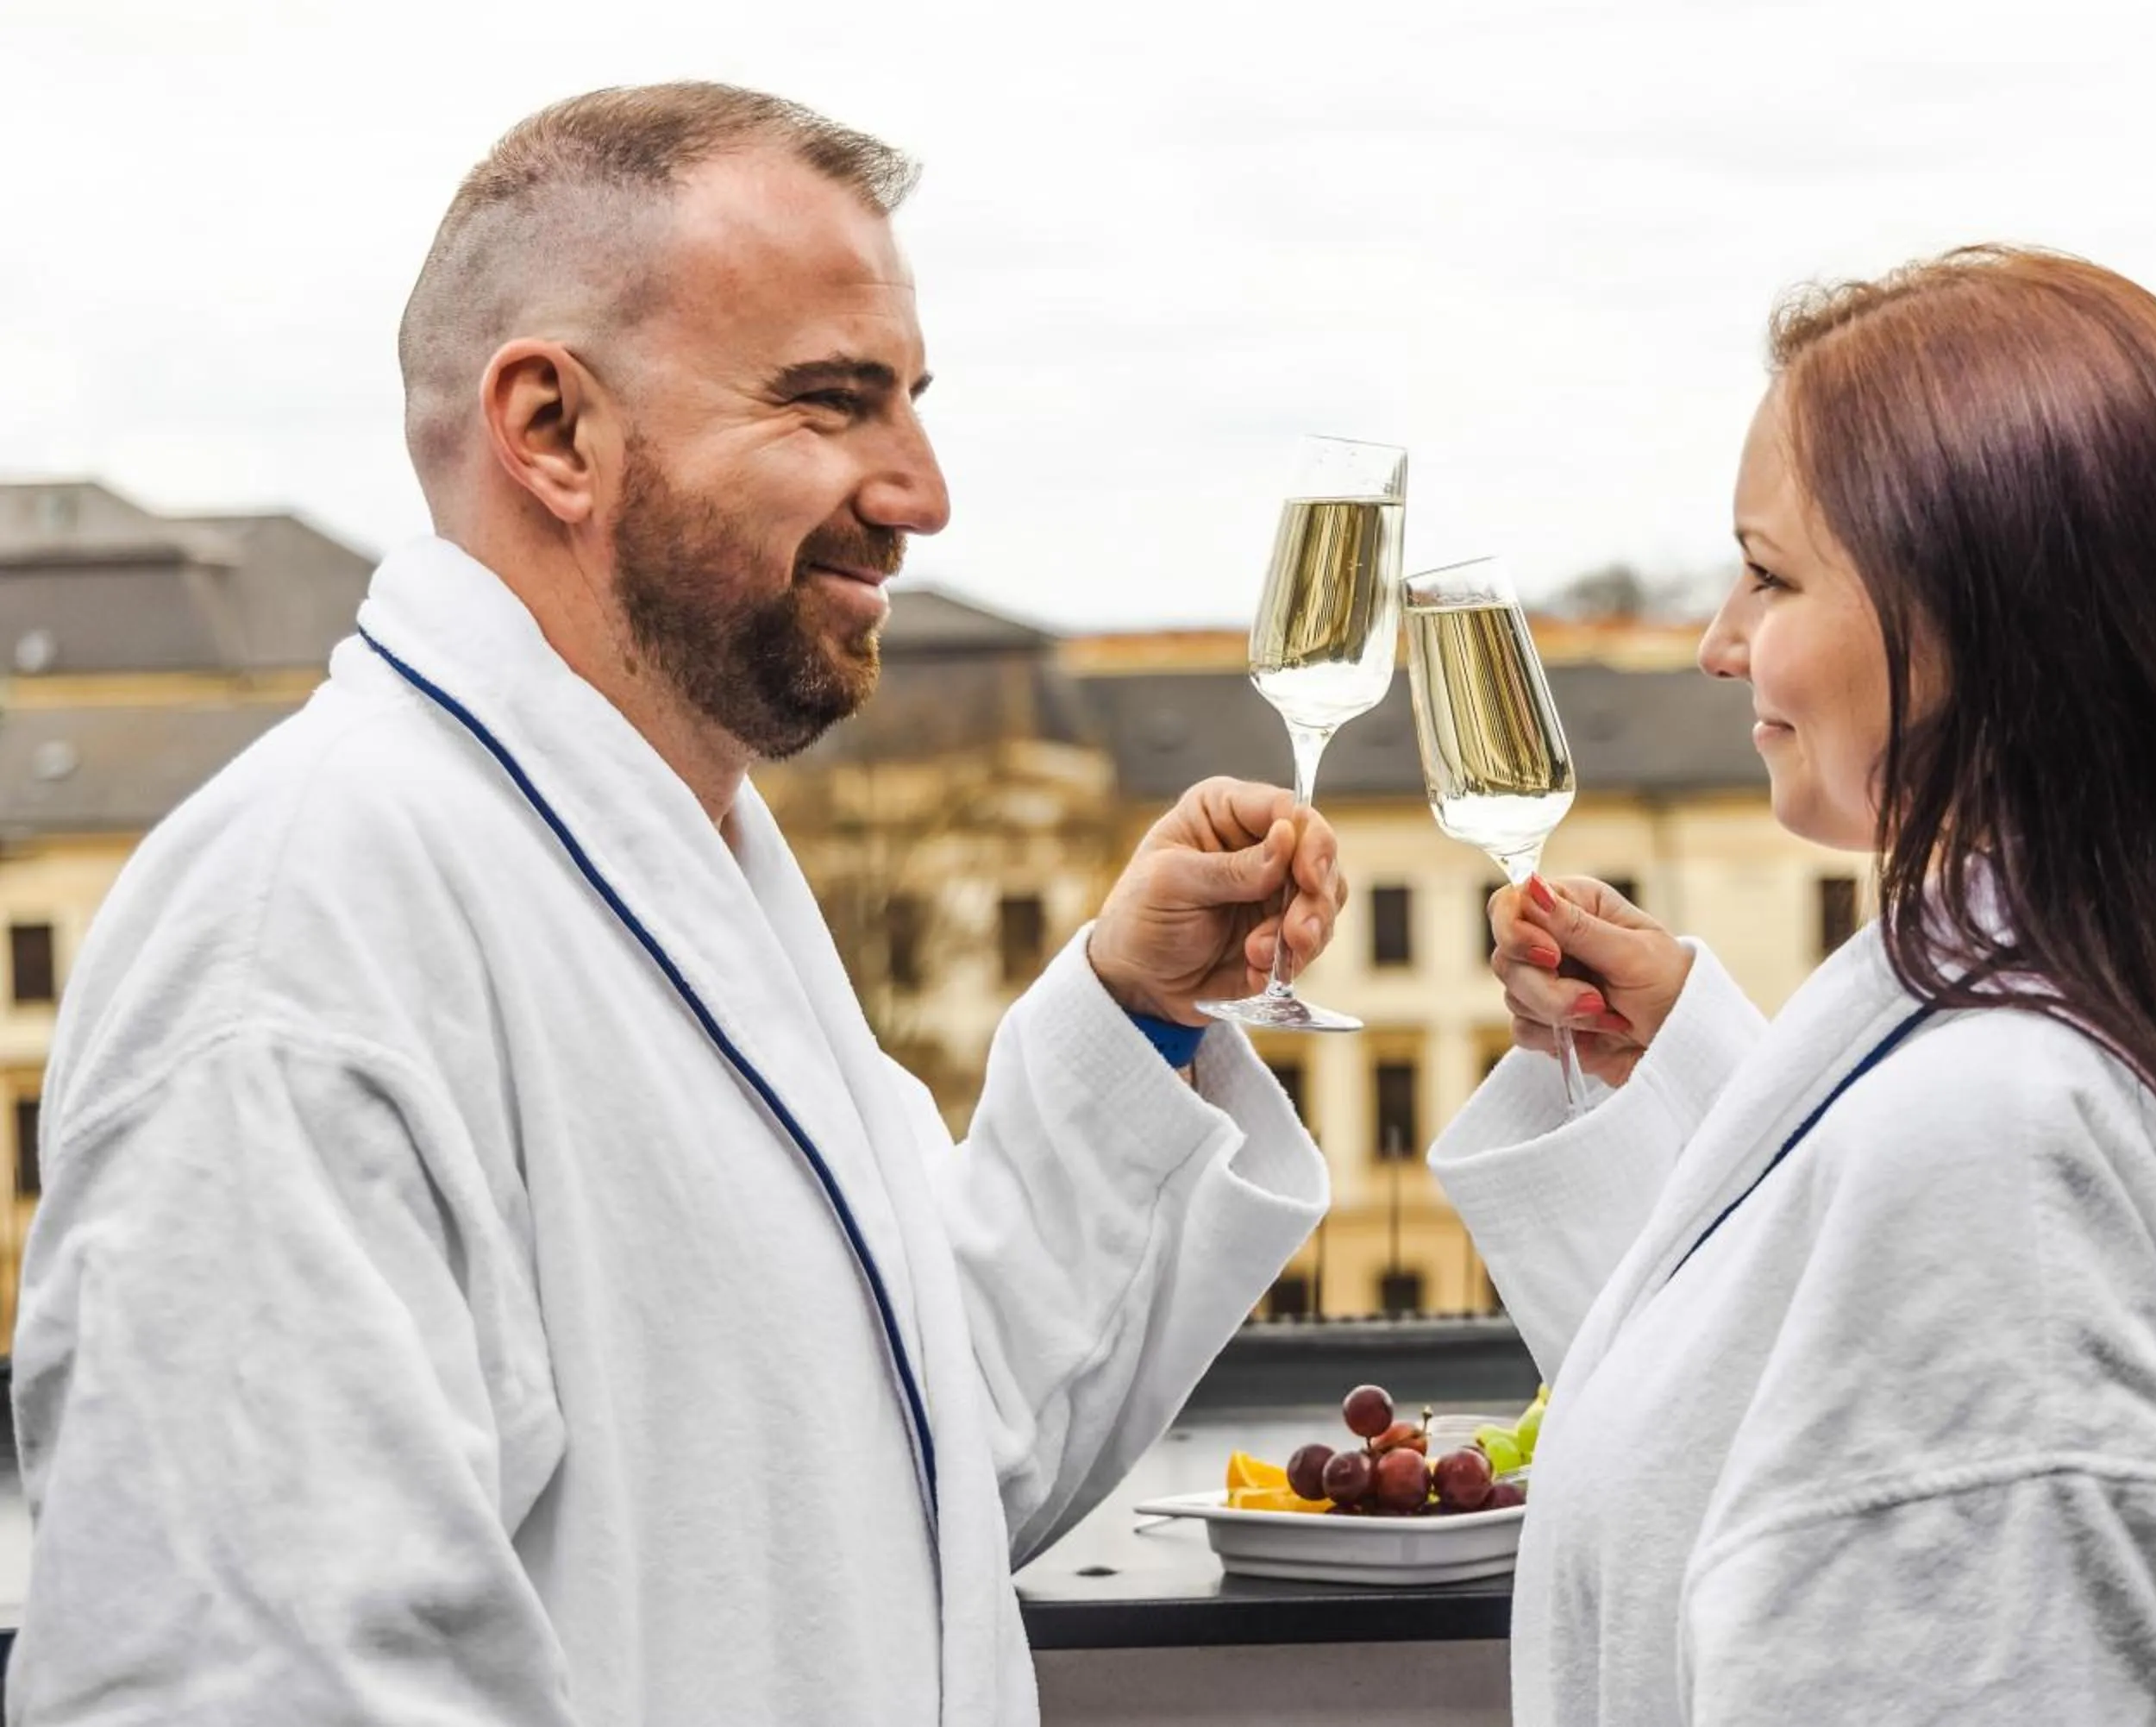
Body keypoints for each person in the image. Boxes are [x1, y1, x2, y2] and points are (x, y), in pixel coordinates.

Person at [9, 83, 1346, 1725]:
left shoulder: (684, 864)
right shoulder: (304, 931)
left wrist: (1137, 1021)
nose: (922, 492)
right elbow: (248, 1684)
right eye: (834, 403)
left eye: (912, 404)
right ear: (553, 430)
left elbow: (913, 1462)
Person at [1440, 246, 2156, 1724]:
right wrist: (1695, 1069)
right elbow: (1771, 1419)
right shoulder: (2076, 1032)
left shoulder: (1999, 1144)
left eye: (1769, 574)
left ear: (1977, 623)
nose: (1719, 643)